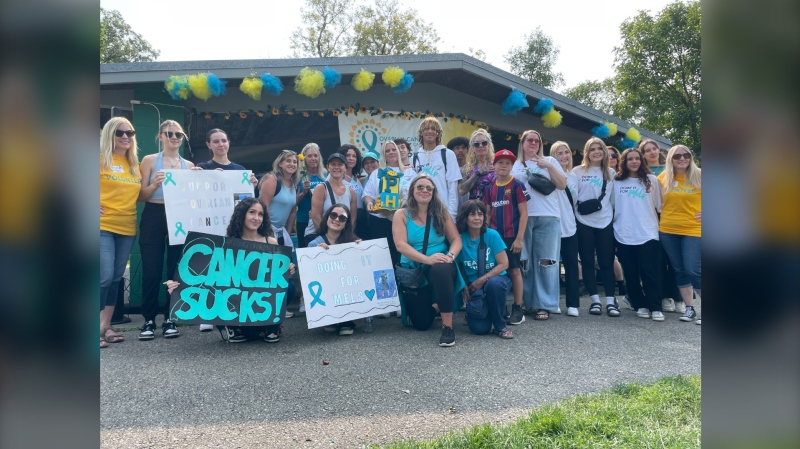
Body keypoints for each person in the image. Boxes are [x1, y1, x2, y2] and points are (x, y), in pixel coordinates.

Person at [164, 197, 296, 343]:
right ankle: (233, 328)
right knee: (215, 290)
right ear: (242, 215)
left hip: (260, 305)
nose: (256, 218)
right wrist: (179, 288)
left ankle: (272, 326)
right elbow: (209, 279)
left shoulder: (270, 242)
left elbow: (277, 281)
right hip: (236, 307)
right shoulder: (227, 243)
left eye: (260, 214)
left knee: (289, 287)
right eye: (252, 212)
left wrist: (288, 272)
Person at [137, 119, 197, 340]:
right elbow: (141, 196)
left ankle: (170, 317)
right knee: (152, 269)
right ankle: (149, 319)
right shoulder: (150, 160)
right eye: (169, 134)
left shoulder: (189, 166)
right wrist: (154, 184)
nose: (174, 138)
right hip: (154, 214)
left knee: (175, 269)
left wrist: (203, 180)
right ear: (160, 136)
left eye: (178, 134)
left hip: (179, 215)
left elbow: (195, 198)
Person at [196, 128, 258, 332]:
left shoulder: (239, 169)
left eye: (224, 140)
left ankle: (227, 310)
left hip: (233, 227)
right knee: (210, 266)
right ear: (209, 145)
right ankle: (207, 314)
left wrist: (253, 186)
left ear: (229, 143)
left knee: (228, 268)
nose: (220, 144)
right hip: (209, 224)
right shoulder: (202, 167)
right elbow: (194, 194)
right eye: (216, 141)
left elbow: (244, 200)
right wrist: (197, 176)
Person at [393, 174, 463, 347]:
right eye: (420, 187)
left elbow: (456, 240)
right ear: (412, 191)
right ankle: (437, 306)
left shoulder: (441, 213)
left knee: (441, 269)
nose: (424, 190)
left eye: (428, 188)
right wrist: (426, 259)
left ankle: (447, 327)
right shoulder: (401, 214)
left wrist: (450, 257)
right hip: (414, 268)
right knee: (422, 324)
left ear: (433, 193)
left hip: (440, 264)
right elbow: (400, 245)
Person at [511, 130, 567, 320]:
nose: (534, 143)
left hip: (548, 217)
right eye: (530, 140)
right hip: (523, 218)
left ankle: (545, 304)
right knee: (525, 262)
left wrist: (548, 167)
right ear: (523, 143)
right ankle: (528, 302)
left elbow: (562, 185)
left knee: (546, 262)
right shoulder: (515, 165)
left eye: (537, 140)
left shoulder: (550, 161)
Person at [100, 117, 141, 348]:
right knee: (103, 276)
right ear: (109, 134)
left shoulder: (134, 164)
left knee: (116, 277)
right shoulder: (97, 159)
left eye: (130, 132)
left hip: (127, 227)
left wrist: (156, 184)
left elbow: (141, 195)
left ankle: (105, 326)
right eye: (119, 132)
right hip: (101, 225)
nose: (125, 136)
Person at [612, 148, 665, 321]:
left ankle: (655, 306)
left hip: (648, 233)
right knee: (631, 272)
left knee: (649, 272)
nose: (634, 162)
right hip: (624, 233)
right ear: (624, 162)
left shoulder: (651, 180)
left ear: (641, 161)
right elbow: (611, 206)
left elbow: (659, 206)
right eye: (630, 159)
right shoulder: (616, 181)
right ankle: (639, 304)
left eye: (637, 159)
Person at [482, 149, 530, 325]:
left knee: (514, 270)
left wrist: (519, 238)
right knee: (495, 272)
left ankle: (518, 308)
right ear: (493, 165)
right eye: (500, 162)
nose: (504, 165)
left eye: (508, 163)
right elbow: (487, 213)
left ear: (512, 166)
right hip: (495, 238)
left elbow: (524, 214)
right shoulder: (489, 188)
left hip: (511, 237)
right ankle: (498, 307)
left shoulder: (517, 185)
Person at [572, 137, 619, 317]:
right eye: (592, 149)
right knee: (587, 262)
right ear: (587, 152)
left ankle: (610, 300)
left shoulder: (611, 173)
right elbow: (574, 196)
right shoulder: (577, 171)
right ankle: (595, 301)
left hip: (604, 222)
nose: (597, 152)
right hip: (583, 222)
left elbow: (613, 201)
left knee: (607, 262)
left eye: (600, 148)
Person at [455, 200, 514, 339]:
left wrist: (484, 278)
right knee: (480, 330)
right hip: (473, 287)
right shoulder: (459, 239)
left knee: (494, 284)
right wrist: (463, 286)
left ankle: (500, 325)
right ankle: (472, 313)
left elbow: (504, 264)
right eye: (472, 214)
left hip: (495, 280)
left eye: (480, 214)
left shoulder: (492, 235)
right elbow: (457, 266)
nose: (477, 218)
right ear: (465, 217)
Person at [658, 145, 702, 323]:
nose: (682, 158)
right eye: (677, 156)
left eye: (686, 155)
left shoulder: (700, 175)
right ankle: (689, 308)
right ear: (670, 159)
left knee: (693, 269)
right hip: (668, 230)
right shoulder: (663, 178)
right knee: (679, 270)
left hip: (693, 229)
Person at [639, 138, 681, 312]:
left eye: (654, 148)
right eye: (647, 150)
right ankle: (664, 297)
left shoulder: (671, 169)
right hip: (652, 219)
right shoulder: (641, 173)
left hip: (673, 217)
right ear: (643, 155)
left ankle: (678, 298)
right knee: (657, 261)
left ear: (659, 150)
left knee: (675, 261)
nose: (652, 152)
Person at [307, 203, 363, 335]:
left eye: (342, 218)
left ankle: (347, 319)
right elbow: (309, 275)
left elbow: (361, 272)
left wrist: (361, 249)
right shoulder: (314, 244)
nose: (337, 219)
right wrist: (316, 255)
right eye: (333, 215)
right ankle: (329, 317)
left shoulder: (353, 242)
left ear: (346, 223)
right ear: (327, 218)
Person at [259, 149, 301, 316]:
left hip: (281, 233)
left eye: (295, 162)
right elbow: (263, 207)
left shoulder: (295, 183)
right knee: (268, 272)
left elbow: (292, 211)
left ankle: (279, 307)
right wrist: (268, 234)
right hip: (266, 232)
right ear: (280, 163)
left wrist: (287, 232)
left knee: (284, 273)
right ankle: (266, 308)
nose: (292, 164)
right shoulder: (272, 179)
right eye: (288, 161)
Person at [363, 140, 410, 265]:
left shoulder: (409, 172)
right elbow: (368, 194)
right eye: (387, 151)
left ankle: (405, 282)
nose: (391, 152)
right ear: (383, 154)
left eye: (393, 149)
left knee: (403, 254)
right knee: (383, 257)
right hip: (380, 221)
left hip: (404, 220)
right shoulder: (376, 173)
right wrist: (369, 203)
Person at [550, 141, 581, 317]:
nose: (564, 156)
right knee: (552, 265)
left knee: (571, 264)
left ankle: (573, 303)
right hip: (552, 225)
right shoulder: (548, 174)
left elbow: (576, 202)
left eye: (566, 152)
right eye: (559, 153)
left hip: (570, 226)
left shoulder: (574, 176)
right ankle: (552, 301)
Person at [411, 117, 462, 219]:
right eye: (426, 128)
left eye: (434, 129)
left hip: (443, 212)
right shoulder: (415, 157)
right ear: (421, 132)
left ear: (438, 133)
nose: (430, 131)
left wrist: (451, 216)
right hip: (421, 212)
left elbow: (453, 187)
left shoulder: (448, 154)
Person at [306, 152, 358, 243]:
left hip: (341, 238)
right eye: (333, 164)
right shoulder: (321, 188)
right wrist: (328, 239)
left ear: (345, 168)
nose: (336, 167)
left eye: (340, 164)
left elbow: (352, 220)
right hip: (318, 236)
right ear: (328, 167)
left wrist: (346, 237)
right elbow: (315, 217)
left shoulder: (351, 192)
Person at [295, 143, 326, 249]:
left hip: (323, 220)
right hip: (303, 220)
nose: (313, 158)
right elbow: (293, 203)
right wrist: (303, 193)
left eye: (315, 155)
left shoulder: (326, 175)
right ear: (304, 159)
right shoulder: (298, 177)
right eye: (309, 156)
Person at [339, 144, 369, 240]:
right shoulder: (336, 178)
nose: (351, 158)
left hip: (362, 220)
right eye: (348, 155)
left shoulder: (357, 179)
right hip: (346, 219)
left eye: (354, 156)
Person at [460, 129, 496, 200]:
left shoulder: (497, 164)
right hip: (476, 207)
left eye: (484, 143)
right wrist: (477, 173)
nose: (480, 146)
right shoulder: (467, 168)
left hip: (494, 204)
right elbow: (461, 191)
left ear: (488, 146)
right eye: (476, 144)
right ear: (473, 148)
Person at [447, 136, 471, 209]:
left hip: (470, 209)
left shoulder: (473, 168)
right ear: (451, 151)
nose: (460, 150)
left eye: (463, 148)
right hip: (451, 209)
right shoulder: (447, 169)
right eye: (457, 148)